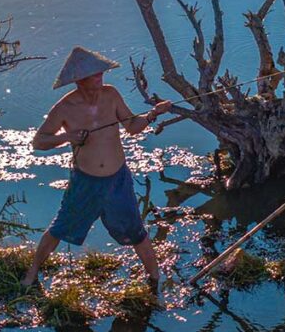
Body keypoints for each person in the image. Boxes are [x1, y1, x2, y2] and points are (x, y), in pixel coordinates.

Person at [20, 46, 172, 291]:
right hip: (86, 181)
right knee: (59, 228)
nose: (101, 77)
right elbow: (39, 142)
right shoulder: (65, 107)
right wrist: (68, 137)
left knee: (137, 232)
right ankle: (32, 274)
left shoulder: (111, 95)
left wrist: (154, 113)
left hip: (117, 179)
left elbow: (132, 126)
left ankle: (155, 279)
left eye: (101, 72)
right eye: (94, 74)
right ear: (79, 80)